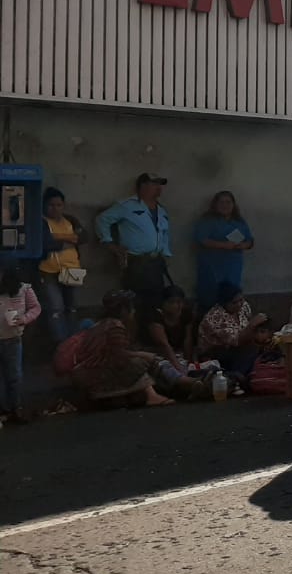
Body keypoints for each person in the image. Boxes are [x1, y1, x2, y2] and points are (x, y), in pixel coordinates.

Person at [65, 291, 173, 407]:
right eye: (131, 308)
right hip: (93, 372)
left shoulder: (102, 324)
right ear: (123, 310)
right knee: (138, 362)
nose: (134, 311)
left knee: (141, 361)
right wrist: (144, 355)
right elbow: (120, 355)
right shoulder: (114, 325)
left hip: (92, 371)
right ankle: (152, 395)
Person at [96, 173, 173, 310]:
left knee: (155, 304)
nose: (158, 187)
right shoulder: (127, 205)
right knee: (135, 304)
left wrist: (165, 254)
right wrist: (109, 244)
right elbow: (102, 220)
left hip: (155, 263)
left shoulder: (161, 211)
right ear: (143, 186)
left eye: (160, 184)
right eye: (154, 183)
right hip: (136, 262)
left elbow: (164, 234)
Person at [38, 187, 88, 343]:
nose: (55, 208)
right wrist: (67, 240)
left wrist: (59, 237)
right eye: (51, 205)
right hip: (49, 270)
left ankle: (73, 342)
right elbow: (47, 243)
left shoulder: (70, 220)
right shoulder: (41, 221)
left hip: (71, 269)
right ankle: (60, 344)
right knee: (56, 308)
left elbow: (83, 237)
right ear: (45, 205)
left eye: (59, 205)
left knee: (71, 307)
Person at [193, 190, 255, 312]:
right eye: (221, 202)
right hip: (212, 269)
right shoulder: (207, 221)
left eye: (228, 202)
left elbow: (250, 241)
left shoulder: (239, 222)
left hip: (233, 268)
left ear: (233, 205)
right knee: (210, 301)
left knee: (231, 299)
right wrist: (223, 245)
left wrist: (242, 245)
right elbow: (201, 240)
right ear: (215, 204)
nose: (225, 205)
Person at [197, 282, 265, 393]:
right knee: (251, 349)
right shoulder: (215, 317)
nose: (239, 304)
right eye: (234, 302)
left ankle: (247, 378)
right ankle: (234, 378)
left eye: (241, 300)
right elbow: (236, 340)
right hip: (216, 353)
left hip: (239, 348)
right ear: (224, 303)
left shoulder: (244, 306)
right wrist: (252, 325)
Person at [0, 266, 41, 424]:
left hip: (13, 338)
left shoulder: (24, 289)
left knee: (14, 376)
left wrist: (24, 319)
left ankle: (15, 407)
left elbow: (36, 307)